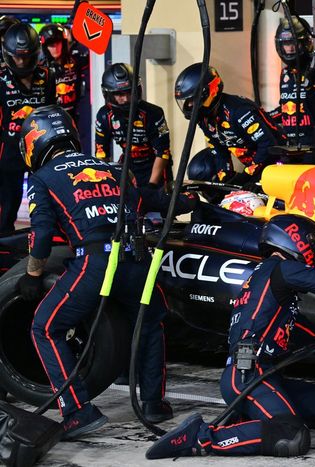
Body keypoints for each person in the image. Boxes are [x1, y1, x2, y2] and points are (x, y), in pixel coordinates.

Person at [17, 105, 198, 439]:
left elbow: (41, 235)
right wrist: (191, 201)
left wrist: (32, 274)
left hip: (95, 263)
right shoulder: (110, 168)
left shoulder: (43, 178)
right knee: (149, 325)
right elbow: (148, 200)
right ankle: (153, 404)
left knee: (45, 327)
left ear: (33, 142)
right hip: (137, 258)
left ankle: (78, 412)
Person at [145, 214, 315, 459]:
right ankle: (201, 437)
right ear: (296, 239)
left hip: (266, 375)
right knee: (291, 436)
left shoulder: (276, 297)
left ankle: (250, 419)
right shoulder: (280, 267)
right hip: (247, 376)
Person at [175, 63, 285, 185]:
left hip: (280, 164)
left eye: (192, 101)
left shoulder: (239, 111)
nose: (189, 106)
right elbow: (219, 151)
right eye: (186, 102)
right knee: (199, 169)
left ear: (208, 93)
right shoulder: (204, 119)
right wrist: (225, 177)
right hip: (254, 169)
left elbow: (268, 145)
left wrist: (246, 176)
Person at [0, 22, 55, 233]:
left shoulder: (47, 76)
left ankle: (43, 244)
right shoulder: (1, 78)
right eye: (17, 57)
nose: (22, 62)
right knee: (7, 207)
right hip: (8, 152)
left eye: (26, 56)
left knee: (44, 206)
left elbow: (53, 113)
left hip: (40, 152)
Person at [95, 63, 173, 188]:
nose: (126, 99)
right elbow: (101, 154)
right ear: (108, 94)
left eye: (129, 92)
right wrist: (105, 182)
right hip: (128, 165)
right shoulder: (104, 116)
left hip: (155, 166)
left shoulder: (154, 113)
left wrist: (152, 186)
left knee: (156, 197)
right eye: (120, 94)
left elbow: (163, 153)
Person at [271, 16, 315, 148]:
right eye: (286, 44)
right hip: (290, 143)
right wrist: (263, 116)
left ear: (305, 43)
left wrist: (310, 88)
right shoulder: (285, 73)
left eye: (293, 43)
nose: (290, 48)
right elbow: (285, 107)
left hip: (313, 142)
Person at [39, 23, 81, 120]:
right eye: (51, 45)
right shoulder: (40, 68)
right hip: (50, 117)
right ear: (45, 47)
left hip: (73, 114)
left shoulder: (75, 61)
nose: (55, 48)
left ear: (63, 43)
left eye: (58, 43)